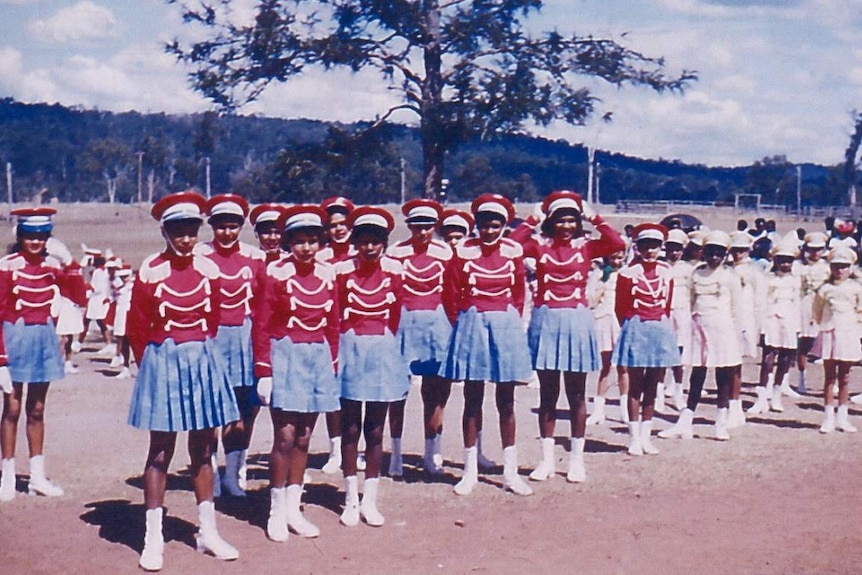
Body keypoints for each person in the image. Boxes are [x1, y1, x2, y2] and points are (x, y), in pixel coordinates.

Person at [126, 192, 241, 570]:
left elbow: (213, 319)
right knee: (160, 451)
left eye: (191, 231)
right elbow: (137, 325)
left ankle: (207, 532)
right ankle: (153, 537)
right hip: (164, 362)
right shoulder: (150, 269)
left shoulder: (209, 269)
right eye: (178, 231)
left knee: (204, 448)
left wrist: (199, 356)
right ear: (165, 231)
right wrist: (153, 365)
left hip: (201, 359)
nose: (185, 239)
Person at [511, 190, 624, 483]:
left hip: (576, 320)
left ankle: (576, 460)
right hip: (546, 320)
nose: (566, 226)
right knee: (548, 394)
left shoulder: (586, 246)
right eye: (560, 220)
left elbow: (617, 243)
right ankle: (546, 460)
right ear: (551, 222)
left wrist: (593, 216)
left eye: (572, 220)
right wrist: (532, 218)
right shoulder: (539, 245)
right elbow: (511, 245)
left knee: (575, 395)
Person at [253, 204, 340, 540]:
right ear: (288, 242)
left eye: (312, 241)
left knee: (304, 436)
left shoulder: (329, 274)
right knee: (285, 436)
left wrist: (332, 362)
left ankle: (294, 508)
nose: (306, 247)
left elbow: (333, 324)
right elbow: (261, 324)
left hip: (317, 356)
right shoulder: (274, 272)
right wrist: (264, 370)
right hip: (285, 355)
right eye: (299, 241)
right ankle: (275, 512)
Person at [440, 193, 534, 496]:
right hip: (472, 323)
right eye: (484, 225)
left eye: (495, 225)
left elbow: (519, 292)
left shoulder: (513, 250)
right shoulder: (462, 250)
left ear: (504, 226)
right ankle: (470, 469)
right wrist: (466, 323)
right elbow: (450, 292)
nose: (489, 231)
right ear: (476, 225)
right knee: (472, 398)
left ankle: (510, 471)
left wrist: (506, 322)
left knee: (506, 401)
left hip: (504, 323)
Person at [0, 208, 86, 502]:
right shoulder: (7, 266)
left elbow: (78, 295)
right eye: (30, 236)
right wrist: (1, 360)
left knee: (37, 410)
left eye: (41, 236)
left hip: (44, 338)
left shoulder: (52, 266)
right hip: (15, 338)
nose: (35, 242)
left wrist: (69, 261)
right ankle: (8, 476)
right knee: (11, 408)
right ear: (21, 236)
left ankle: (37, 476)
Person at [335, 206, 408, 526]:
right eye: (362, 241)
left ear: (384, 242)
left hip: (382, 350)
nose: (369, 247)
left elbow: (396, 315)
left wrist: (384, 346)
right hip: (351, 349)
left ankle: (370, 500)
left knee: (375, 430)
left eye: (375, 241)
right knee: (350, 427)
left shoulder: (395, 271)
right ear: (355, 242)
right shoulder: (340, 271)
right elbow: (335, 312)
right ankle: (350, 500)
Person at [195, 194, 266, 497]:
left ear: (241, 227)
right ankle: (209, 473)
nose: (227, 232)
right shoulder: (199, 255)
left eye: (233, 226)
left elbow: (263, 304)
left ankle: (233, 474)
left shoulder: (255, 257)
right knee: (211, 410)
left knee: (242, 411)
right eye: (221, 226)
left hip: (244, 340)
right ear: (212, 226)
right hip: (211, 339)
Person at [388, 199, 454, 476]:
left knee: (435, 390)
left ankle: (432, 451)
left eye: (428, 226)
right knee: (396, 391)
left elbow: (452, 289)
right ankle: (395, 454)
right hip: (404, 323)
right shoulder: (395, 252)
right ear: (409, 226)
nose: (423, 232)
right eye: (417, 226)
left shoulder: (446, 251)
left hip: (436, 324)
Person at [659, 231, 742, 441]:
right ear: (703, 252)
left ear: (725, 255)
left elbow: (736, 309)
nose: (714, 257)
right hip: (699, 329)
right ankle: (685, 422)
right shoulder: (696, 274)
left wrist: (735, 333)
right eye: (710, 252)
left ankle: (720, 423)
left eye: (719, 253)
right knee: (697, 375)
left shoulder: (730, 277)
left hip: (723, 329)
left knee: (723, 375)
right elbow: (689, 301)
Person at [612, 223, 679, 455]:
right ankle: (633, 437)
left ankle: (646, 436)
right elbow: (620, 308)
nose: (650, 250)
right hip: (636, 328)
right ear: (638, 247)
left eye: (655, 246)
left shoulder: (667, 272)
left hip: (659, 328)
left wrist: (659, 324)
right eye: (645, 246)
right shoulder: (627, 273)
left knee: (653, 385)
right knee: (635, 385)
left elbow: (667, 304)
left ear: (661, 247)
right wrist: (633, 326)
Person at [316, 196, 358, 475]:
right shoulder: (320, 257)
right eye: (333, 226)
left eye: (343, 224)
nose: (339, 230)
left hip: (357, 331)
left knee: (355, 393)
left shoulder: (362, 251)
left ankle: (354, 449)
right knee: (334, 393)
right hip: (331, 332)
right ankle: (335, 449)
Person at [747, 237, 802, 415]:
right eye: (781, 259)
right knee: (768, 359)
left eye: (789, 260)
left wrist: (798, 326)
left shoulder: (797, 280)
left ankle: (777, 394)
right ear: (774, 260)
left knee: (786, 358)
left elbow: (798, 303)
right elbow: (760, 302)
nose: (785, 263)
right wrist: (761, 327)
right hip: (770, 319)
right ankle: (762, 397)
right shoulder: (767, 278)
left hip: (790, 320)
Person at [812, 247, 862, 433]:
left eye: (844, 266)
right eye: (836, 266)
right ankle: (828, 418)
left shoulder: (857, 288)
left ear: (850, 268)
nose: (840, 270)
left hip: (848, 334)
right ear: (830, 268)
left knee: (845, 377)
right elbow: (817, 312)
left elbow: (860, 310)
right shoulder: (825, 289)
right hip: (830, 334)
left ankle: (843, 417)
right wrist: (826, 326)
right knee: (829, 378)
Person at [586, 250, 628, 425]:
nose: (616, 262)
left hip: (622, 322)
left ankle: (624, 410)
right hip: (604, 320)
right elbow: (590, 301)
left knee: (624, 367)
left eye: (620, 258)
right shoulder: (598, 274)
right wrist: (602, 282)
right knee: (605, 366)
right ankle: (598, 410)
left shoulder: (628, 274)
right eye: (613, 258)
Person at [662, 228, 694, 411]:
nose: (673, 253)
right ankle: (658, 393)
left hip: (682, 313)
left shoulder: (689, 269)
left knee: (679, 354)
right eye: (670, 248)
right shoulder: (661, 267)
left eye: (677, 249)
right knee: (661, 353)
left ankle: (678, 392)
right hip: (664, 313)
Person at [794, 232, 829, 395]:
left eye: (819, 249)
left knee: (828, 343)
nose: (815, 253)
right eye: (812, 249)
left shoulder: (828, 266)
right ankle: (802, 378)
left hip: (824, 304)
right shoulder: (799, 266)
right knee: (804, 343)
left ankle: (831, 381)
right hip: (805, 304)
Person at [109, 264, 134, 379]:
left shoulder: (133, 287)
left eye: (125, 276)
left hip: (130, 315)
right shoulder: (119, 287)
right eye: (122, 276)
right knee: (123, 341)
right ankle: (125, 367)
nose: (123, 278)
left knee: (134, 342)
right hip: (121, 315)